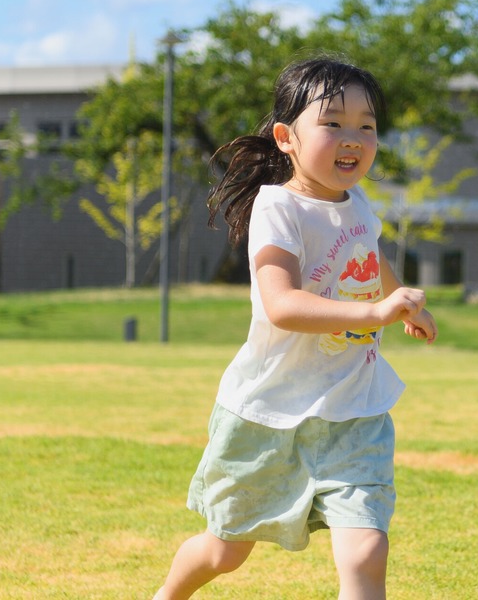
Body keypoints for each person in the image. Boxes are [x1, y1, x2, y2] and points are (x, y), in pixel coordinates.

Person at [154, 56, 437, 599]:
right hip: (269, 413)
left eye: (366, 125)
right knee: (224, 551)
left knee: (366, 551)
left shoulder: (358, 203)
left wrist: (404, 307)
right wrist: (374, 314)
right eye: (332, 123)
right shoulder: (277, 208)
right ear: (287, 137)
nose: (352, 136)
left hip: (353, 410)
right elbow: (281, 305)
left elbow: (370, 253)